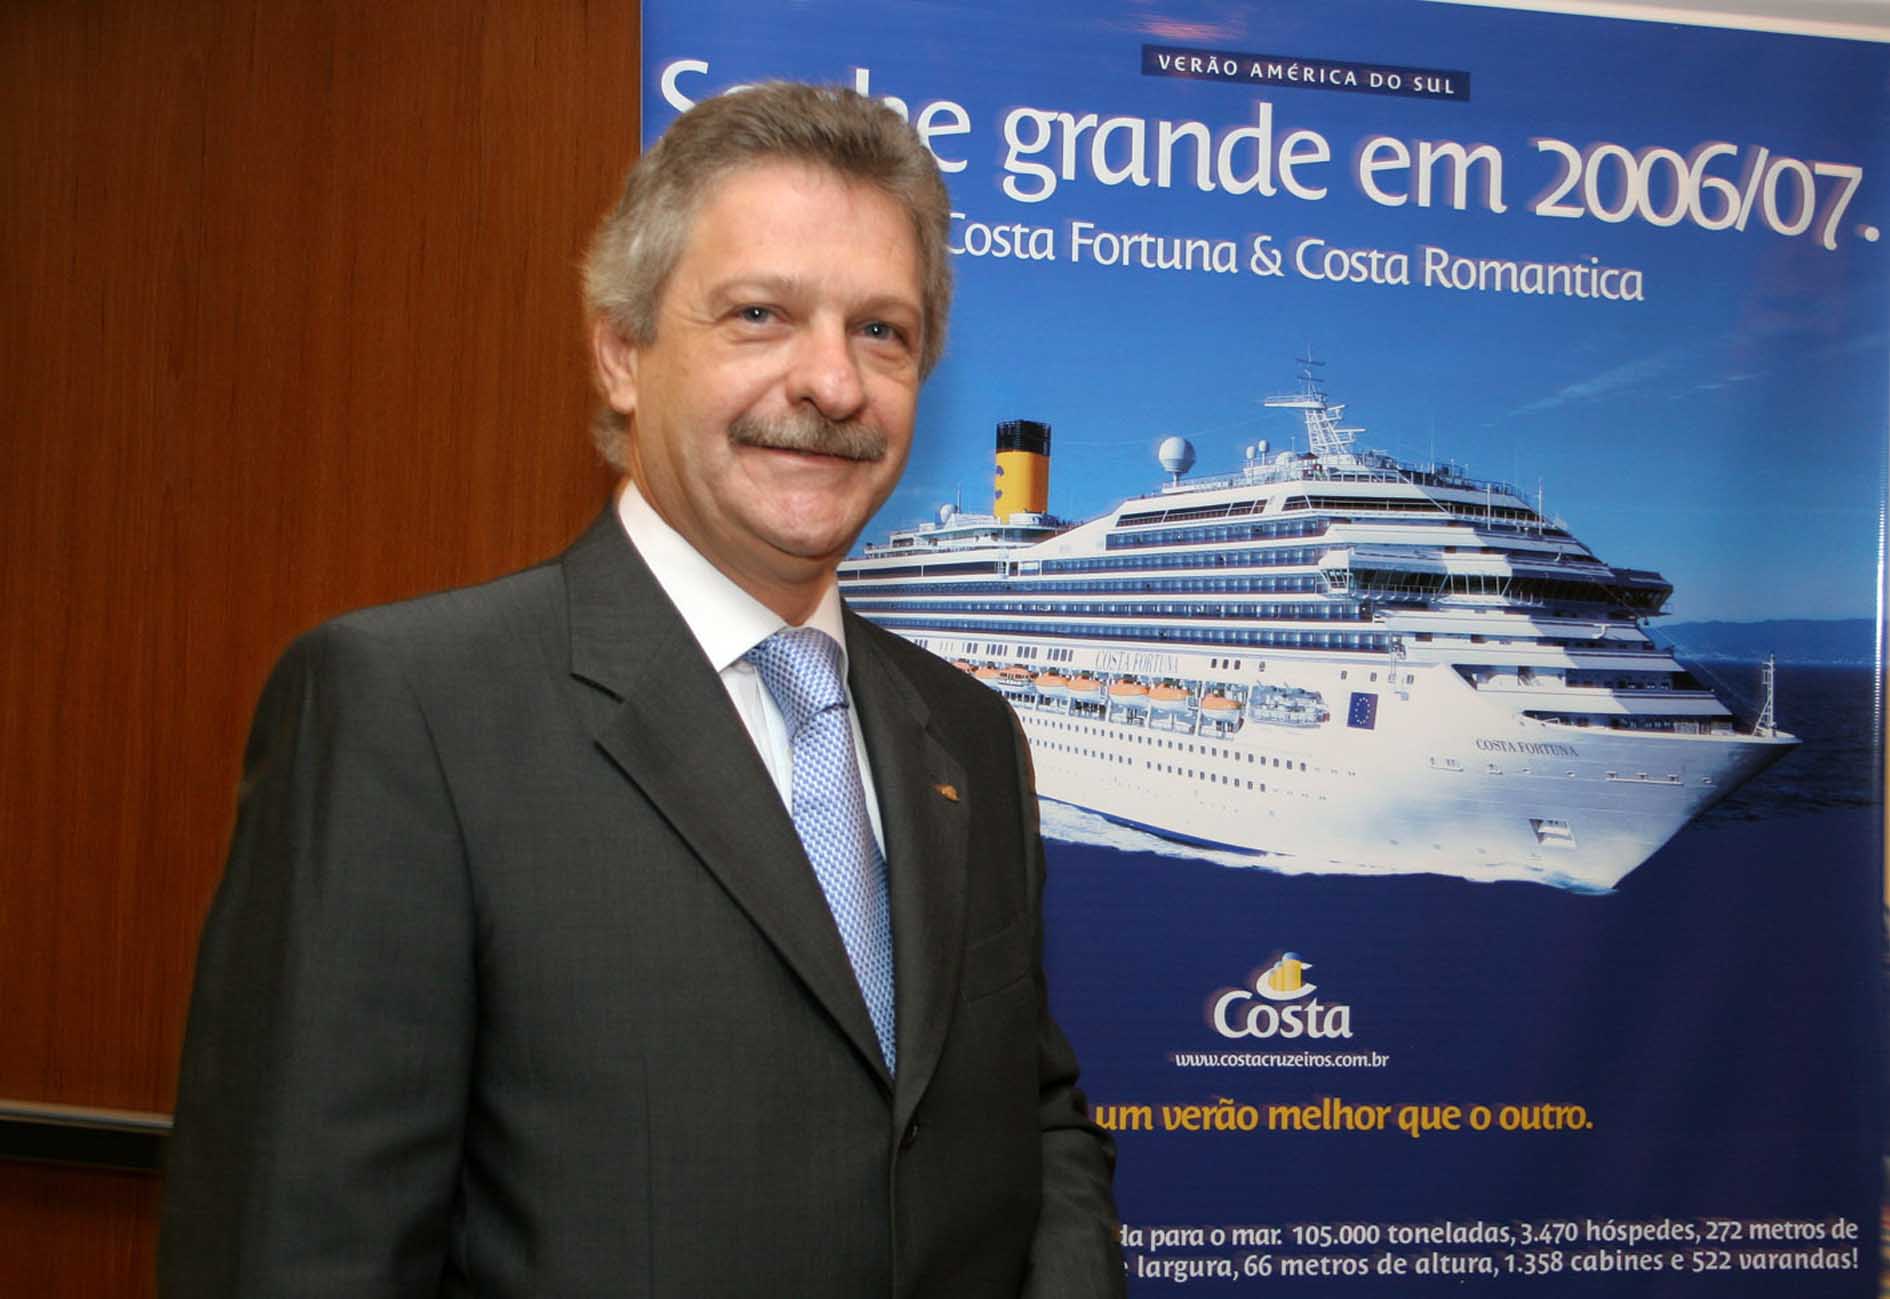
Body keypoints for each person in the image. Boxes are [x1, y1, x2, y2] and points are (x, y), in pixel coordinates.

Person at [159, 82, 1124, 1298]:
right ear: (622, 353)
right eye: (762, 314)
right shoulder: (409, 712)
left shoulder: (970, 733)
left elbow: (1029, 1114)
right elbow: (301, 1244)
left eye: (882, 330)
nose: (833, 384)